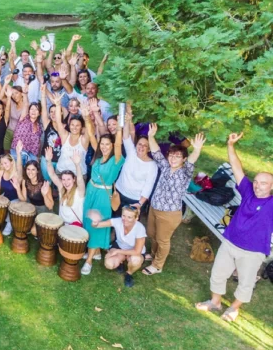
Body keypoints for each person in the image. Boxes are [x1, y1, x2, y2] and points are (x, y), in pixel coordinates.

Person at [195, 132, 273, 322]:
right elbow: (237, 169)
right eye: (256, 182)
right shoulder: (247, 192)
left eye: (263, 184)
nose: (257, 186)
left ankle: (234, 308)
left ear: (271, 186)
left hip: (253, 251)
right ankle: (215, 302)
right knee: (218, 273)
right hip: (230, 242)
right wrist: (230, 145)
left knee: (245, 283)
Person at [142, 124, 205, 276]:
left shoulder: (185, 172)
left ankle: (157, 265)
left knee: (163, 240)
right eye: (171, 155)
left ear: (183, 159)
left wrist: (196, 149)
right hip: (154, 208)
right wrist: (151, 136)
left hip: (169, 214)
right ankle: (153, 254)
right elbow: (156, 152)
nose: (173, 158)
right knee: (152, 234)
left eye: (178, 156)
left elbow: (191, 161)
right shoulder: (165, 167)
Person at [81, 123, 124, 276]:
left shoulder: (116, 160)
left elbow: (119, 143)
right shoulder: (99, 156)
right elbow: (92, 136)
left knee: (96, 225)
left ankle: (89, 261)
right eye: (102, 144)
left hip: (103, 196)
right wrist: (87, 116)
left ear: (113, 145)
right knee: (87, 221)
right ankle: (95, 251)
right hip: (91, 191)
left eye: (108, 144)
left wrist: (119, 128)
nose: (104, 147)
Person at [115, 105, 157, 217]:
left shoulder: (152, 166)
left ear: (149, 148)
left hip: (133, 200)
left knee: (128, 226)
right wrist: (128, 121)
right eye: (139, 144)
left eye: (145, 145)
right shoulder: (131, 153)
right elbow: (126, 137)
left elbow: (149, 186)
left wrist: (140, 203)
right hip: (118, 193)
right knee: (115, 221)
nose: (141, 147)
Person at [90, 206, 147, 288]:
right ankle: (121, 261)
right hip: (120, 246)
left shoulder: (140, 228)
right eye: (123, 215)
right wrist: (95, 222)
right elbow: (97, 225)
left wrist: (117, 251)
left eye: (129, 217)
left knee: (135, 260)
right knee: (109, 264)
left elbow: (137, 252)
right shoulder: (118, 221)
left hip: (133, 252)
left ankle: (129, 273)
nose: (125, 219)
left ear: (136, 218)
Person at [45, 148, 85, 227]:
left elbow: (80, 179)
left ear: (74, 180)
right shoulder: (62, 189)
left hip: (75, 227)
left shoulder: (79, 191)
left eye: (68, 179)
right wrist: (48, 161)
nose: (66, 182)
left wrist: (77, 165)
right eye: (63, 179)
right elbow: (52, 174)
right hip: (62, 225)